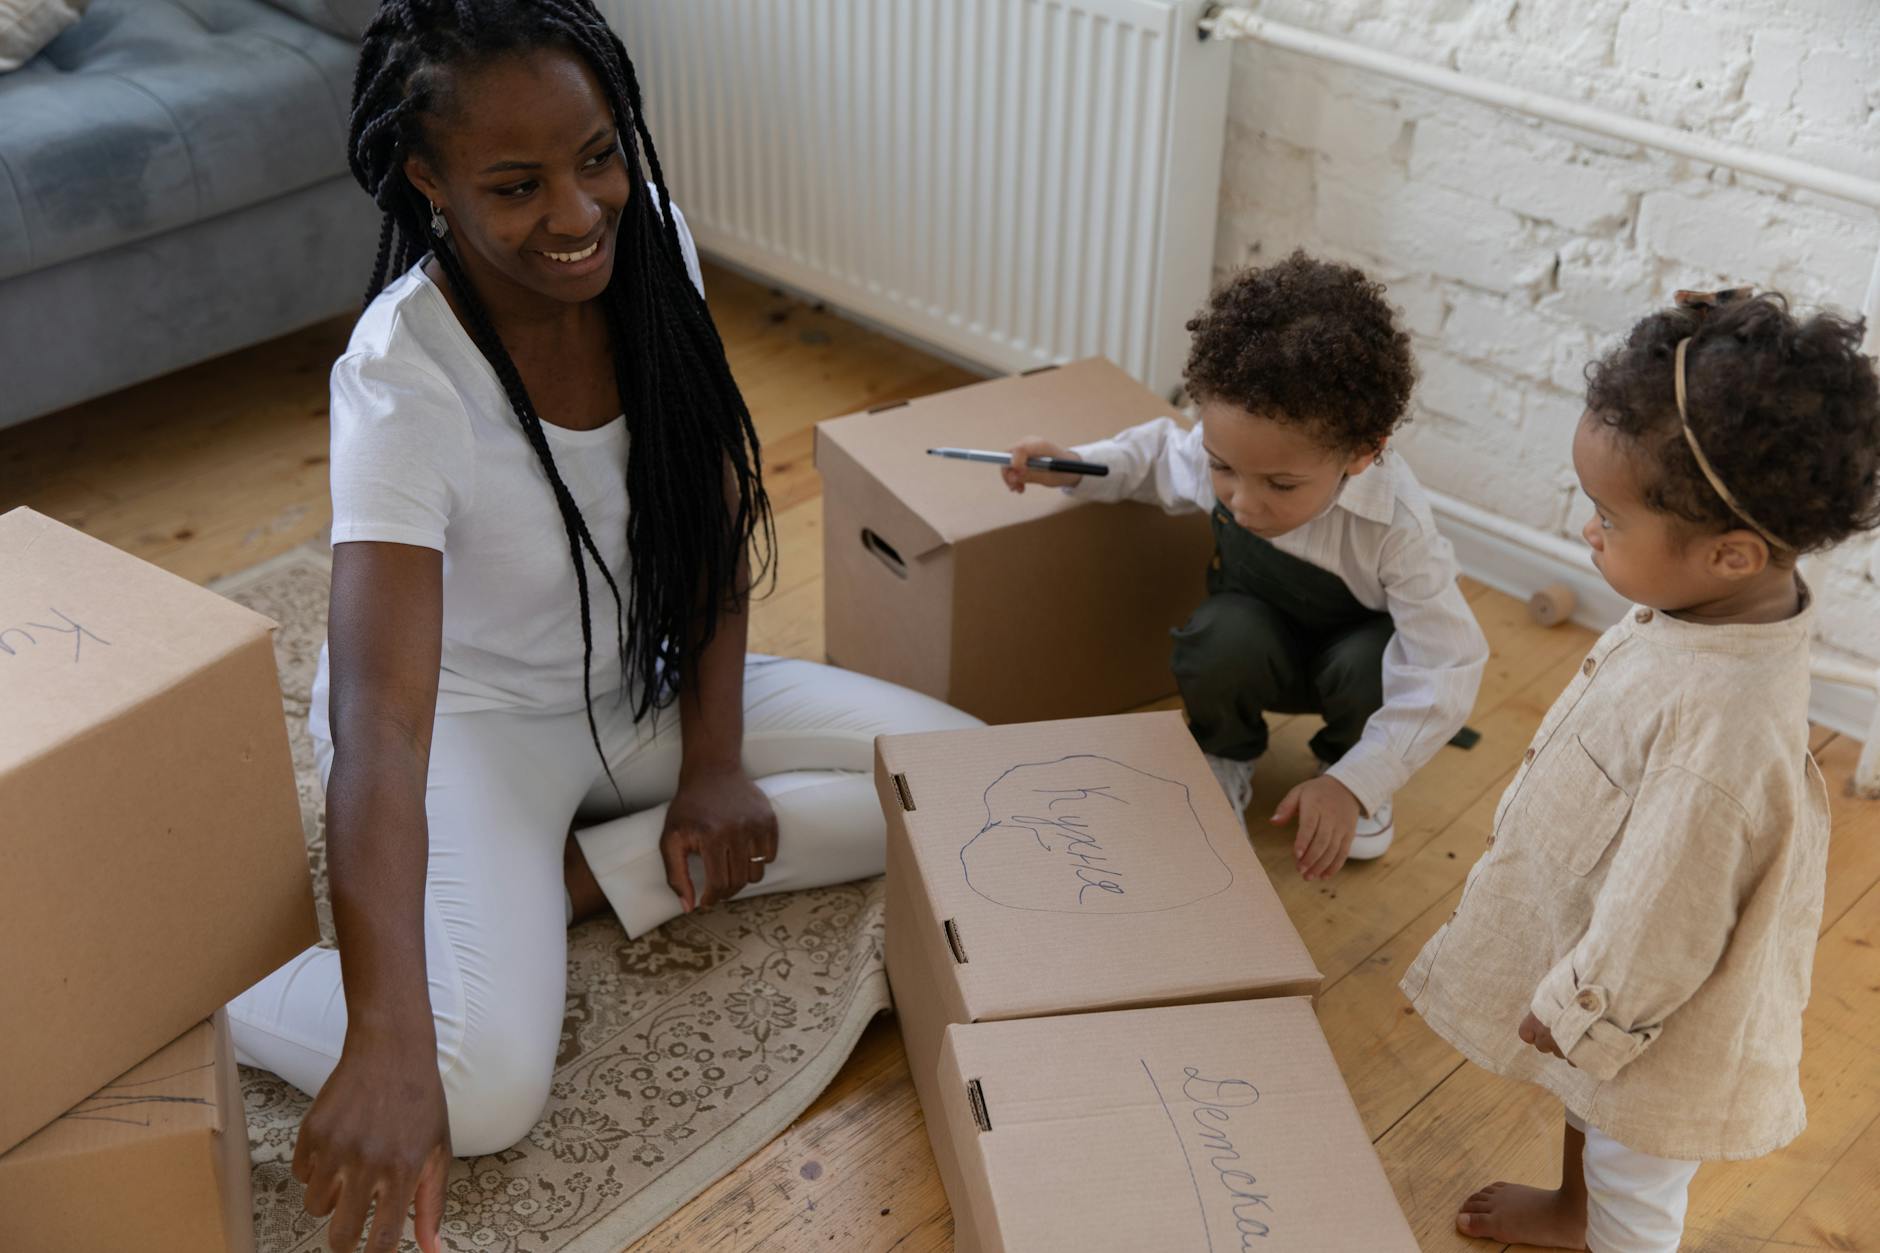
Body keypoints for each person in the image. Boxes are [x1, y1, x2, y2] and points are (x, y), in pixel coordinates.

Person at [226, 4, 977, 1250]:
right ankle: (242, 994)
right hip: (477, 731)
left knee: (964, 788)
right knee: (476, 1090)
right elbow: (380, 719)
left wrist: (717, 756)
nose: (576, 214)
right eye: (515, 185)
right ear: (427, 179)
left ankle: (585, 876)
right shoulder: (398, 381)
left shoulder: (651, 244)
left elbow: (711, 505)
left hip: (640, 687)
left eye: (595, 156)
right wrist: (389, 1036)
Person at [1401, 288, 1880, 1252]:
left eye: (1608, 518)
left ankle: (1607, 1226)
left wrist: (1591, 1006)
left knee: (1632, 1163)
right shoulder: (1728, 598)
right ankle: (1575, 1213)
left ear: (1732, 552)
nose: (1588, 532)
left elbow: (1671, 912)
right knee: (1590, 1101)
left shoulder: (1721, 741)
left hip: (1650, 1006)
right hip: (1610, 950)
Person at [1004, 252, 1487, 879]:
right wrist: (1077, 464)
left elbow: (1446, 666)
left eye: (1282, 486)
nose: (1242, 500)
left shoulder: (1398, 527)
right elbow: (1154, 459)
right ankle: (1224, 753)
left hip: (1351, 669)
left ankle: (1345, 772)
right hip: (1258, 645)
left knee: (1370, 661)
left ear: (1363, 455)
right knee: (1216, 636)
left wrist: (1359, 779)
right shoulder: (1231, 455)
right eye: (1222, 467)